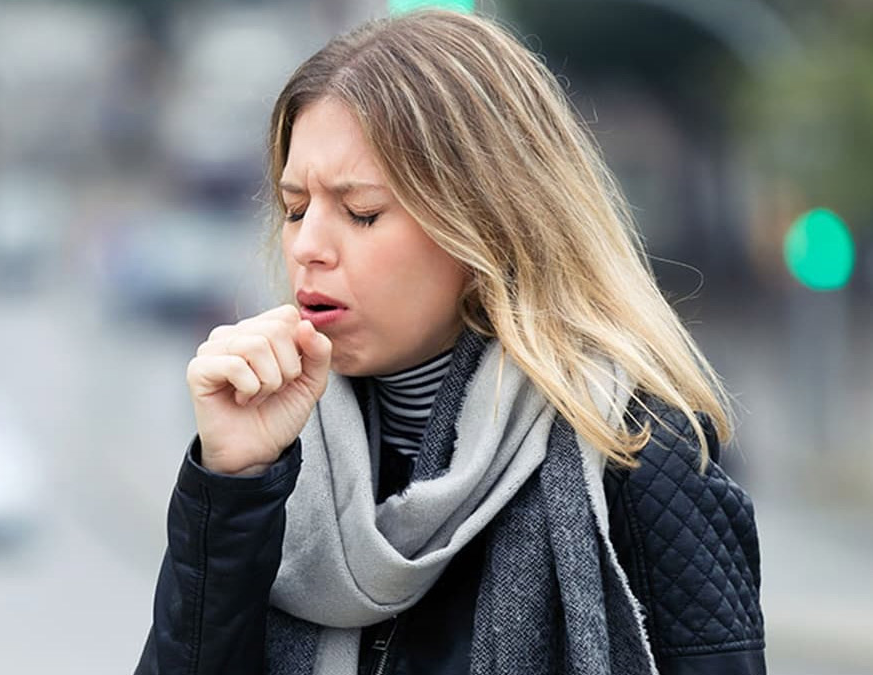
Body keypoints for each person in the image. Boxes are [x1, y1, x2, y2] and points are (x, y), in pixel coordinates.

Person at [134, 9, 764, 675]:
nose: (308, 248)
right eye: (295, 209)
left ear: (484, 223)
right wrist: (231, 483)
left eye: (361, 212)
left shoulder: (640, 456)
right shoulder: (272, 457)